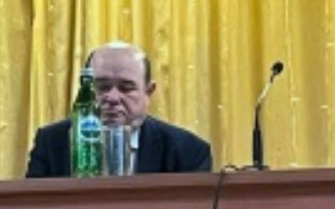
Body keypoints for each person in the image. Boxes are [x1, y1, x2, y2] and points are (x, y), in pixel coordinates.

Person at [26, 42, 213, 176]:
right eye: (101, 87)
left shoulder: (188, 151)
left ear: (148, 92)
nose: (112, 98)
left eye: (126, 88)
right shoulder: (52, 143)